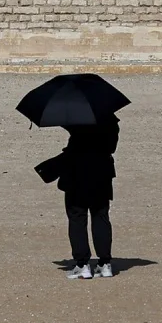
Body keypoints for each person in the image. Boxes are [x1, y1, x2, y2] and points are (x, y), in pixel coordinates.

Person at [52, 116, 120, 279]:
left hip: (77, 173)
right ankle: (105, 263)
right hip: (101, 172)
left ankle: (82, 264)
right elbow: (111, 146)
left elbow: (76, 137)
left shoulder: (76, 118)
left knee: (77, 217)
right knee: (101, 216)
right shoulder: (110, 120)